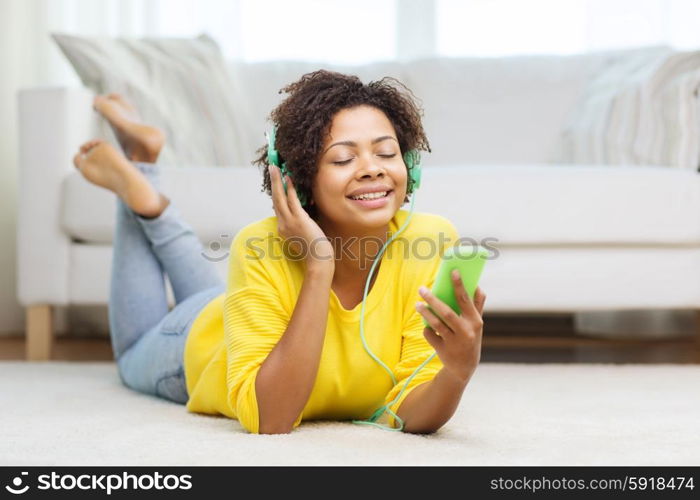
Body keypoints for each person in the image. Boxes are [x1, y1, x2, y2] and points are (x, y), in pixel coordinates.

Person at [73, 70, 487, 435]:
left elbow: (412, 410)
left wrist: (456, 372)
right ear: (298, 179)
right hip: (194, 343)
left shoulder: (430, 238)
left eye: (386, 153)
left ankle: (144, 171)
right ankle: (140, 185)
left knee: (212, 292)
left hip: (234, 306)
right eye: (343, 158)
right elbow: (272, 419)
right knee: (130, 358)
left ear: (409, 164)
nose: (372, 168)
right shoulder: (261, 246)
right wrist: (319, 266)